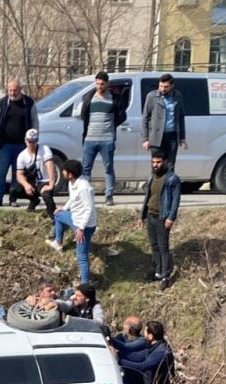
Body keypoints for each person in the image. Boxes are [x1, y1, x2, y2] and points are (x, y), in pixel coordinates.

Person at [0, 78, 40, 207]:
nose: (12, 93)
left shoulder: (29, 103)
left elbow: (35, 122)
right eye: (10, 90)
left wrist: (35, 138)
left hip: (22, 145)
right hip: (5, 144)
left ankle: (13, 199)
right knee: (1, 172)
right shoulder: (2, 103)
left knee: (18, 173)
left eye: (14, 90)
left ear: (20, 89)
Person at [46, 160, 97, 284]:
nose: (62, 172)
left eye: (63, 171)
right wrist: (63, 208)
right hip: (75, 218)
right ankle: (58, 242)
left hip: (85, 225)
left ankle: (85, 284)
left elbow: (88, 209)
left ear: (70, 174)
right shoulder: (71, 182)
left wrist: (81, 229)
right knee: (58, 215)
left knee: (82, 256)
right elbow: (72, 199)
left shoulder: (84, 188)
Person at [80, 71, 127, 206]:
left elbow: (122, 116)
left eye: (102, 84)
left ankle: (109, 195)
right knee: (86, 169)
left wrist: (111, 126)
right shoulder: (89, 97)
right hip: (90, 138)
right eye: (98, 83)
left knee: (108, 168)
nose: (100, 86)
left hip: (107, 139)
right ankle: (85, 197)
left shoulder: (114, 98)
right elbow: (84, 115)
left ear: (107, 84)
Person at [137, 151, 182, 290]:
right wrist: (141, 216)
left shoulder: (172, 179)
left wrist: (171, 217)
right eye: (153, 162)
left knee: (163, 248)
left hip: (162, 218)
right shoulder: (151, 177)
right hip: (151, 216)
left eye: (158, 162)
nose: (155, 165)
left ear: (165, 162)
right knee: (154, 246)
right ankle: (157, 272)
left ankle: (165, 276)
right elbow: (147, 198)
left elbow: (175, 200)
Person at [118, 320, 175, 384]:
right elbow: (136, 355)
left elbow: (143, 366)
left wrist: (120, 361)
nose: (143, 335)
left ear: (150, 336)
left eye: (145, 332)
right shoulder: (155, 346)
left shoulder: (161, 352)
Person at [141, 73, 187, 167]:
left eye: (166, 87)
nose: (162, 89)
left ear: (172, 86)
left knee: (170, 165)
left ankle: (169, 182)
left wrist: (182, 137)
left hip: (172, 137)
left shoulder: (177, 96)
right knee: (157, 166)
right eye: (161, 86)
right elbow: (145, 117)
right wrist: (145, 139)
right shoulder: (152, 96)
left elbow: (181, 117)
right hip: (156, 137)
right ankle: (157, 182)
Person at [9, 129, 57, 217]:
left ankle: (53, 214)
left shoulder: (44, 149)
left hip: (44, 181)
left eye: (34, 141)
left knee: (46, 195)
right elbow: (19, 174)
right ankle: (34, 200)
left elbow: (50, 166)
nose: (31, 144)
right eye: (29, 141)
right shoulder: (22, 155)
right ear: (25, 140)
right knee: (14, 190)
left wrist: (51, 184)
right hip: (32, 182)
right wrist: (26, 185)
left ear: (37, 141)